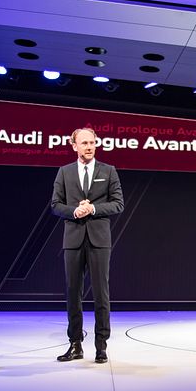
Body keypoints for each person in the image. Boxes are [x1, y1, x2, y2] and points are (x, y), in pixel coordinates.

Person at [51, 127, 124, 363]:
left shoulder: (109, 170)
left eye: (92, 142)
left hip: (99, 240)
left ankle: (101, 345)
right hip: (73, 240)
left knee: (101, 294)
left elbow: (118, 204)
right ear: (74, 145)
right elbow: (55, 205)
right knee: (73, 293)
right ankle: (75, 344)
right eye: (84, 143)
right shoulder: (64, 172)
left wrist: (92, 208)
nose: (90, 146)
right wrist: (74, 210)